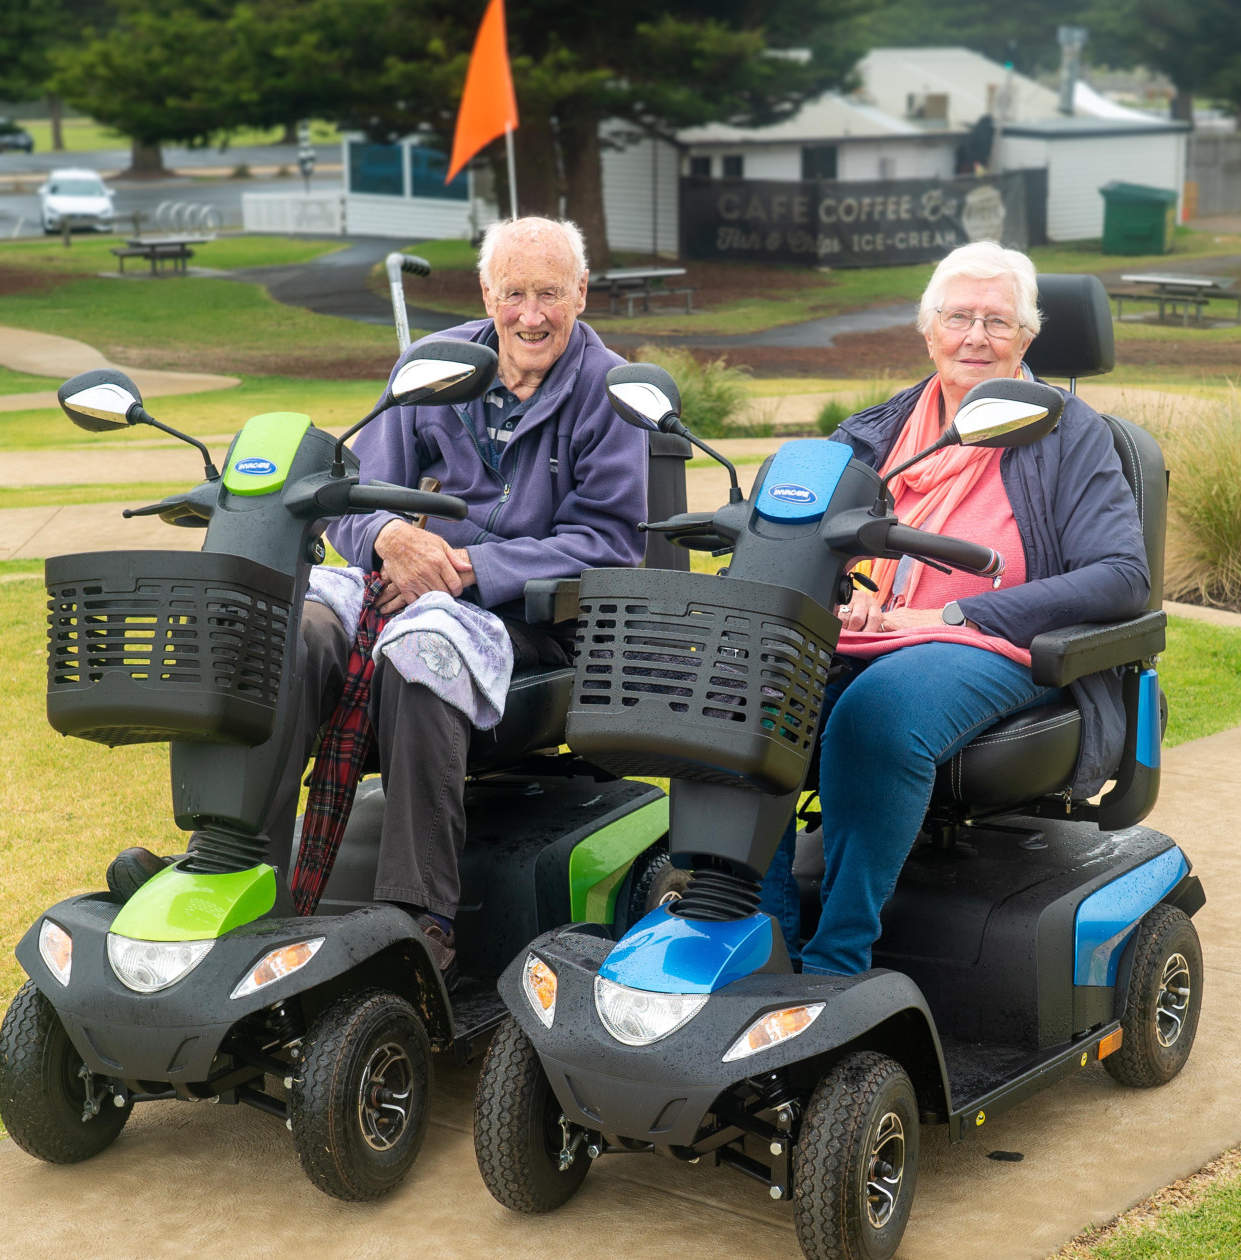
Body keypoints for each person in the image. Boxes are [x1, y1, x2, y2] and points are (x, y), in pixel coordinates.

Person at [113, 217, 647, 977]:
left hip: (533, 618)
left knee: (422, 647)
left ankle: (416, 919)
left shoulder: (609, 393)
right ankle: (232, 865)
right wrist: (394, 538)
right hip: (408, 585)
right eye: (515, 293)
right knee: (292, 629)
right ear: (487, 294)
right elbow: (347, 493)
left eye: (551, 294)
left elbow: (610, 543)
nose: (532, 314)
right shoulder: (438, 369)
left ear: (582, 294)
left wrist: (464, 567)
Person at [765, 241, 1150, 977]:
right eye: (960, 317)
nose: (976, 336)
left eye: (998, 321)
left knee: (874, 715)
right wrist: (854, 592)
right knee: (745, 690)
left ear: (1026, 339)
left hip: (998, 646)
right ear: (928, 326)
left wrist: (953, 616)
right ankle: (766, 929)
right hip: (861, 637)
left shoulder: (1071, 432)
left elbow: (1122, 576)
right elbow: (812, 540)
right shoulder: (877, 431)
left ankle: (837, 958)